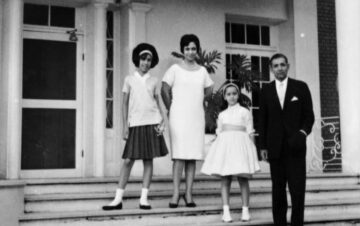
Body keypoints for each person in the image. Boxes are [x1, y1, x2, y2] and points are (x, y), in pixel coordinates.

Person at [102, 43, 168, 211]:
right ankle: (117, 199)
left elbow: (159, 102)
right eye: (143, 59)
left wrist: (164, 120)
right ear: (137, 60)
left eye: (149, 60)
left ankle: (144, 199)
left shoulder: (154, 80)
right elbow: (124, 103)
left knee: (148, 159)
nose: (145, 62)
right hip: (135, 124)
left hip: (152, 122)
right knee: (128, 160)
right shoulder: (129, 79)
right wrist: (125, 126)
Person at [259, 53, 314, 226]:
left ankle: (297, 223)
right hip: (275, 148)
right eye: (275, 66)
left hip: (296, 147)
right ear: (271, 69)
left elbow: (309, 117)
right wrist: (262, 147)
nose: (279, 68)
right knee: (278, 190)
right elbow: (262, 120)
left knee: (297, 190)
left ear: (288, 66)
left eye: (282, 65)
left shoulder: (301, 87)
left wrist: (302, 134)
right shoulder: (265, 90)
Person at [161, 34, 213, 208]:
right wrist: (171, 107)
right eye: (187, 49)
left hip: (196, 117)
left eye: (193, 48)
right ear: (183, 50)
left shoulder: (202, 71)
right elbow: (164, 89)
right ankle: (176, 193)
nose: (191, 52)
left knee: (192, 157)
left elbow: (209, 89)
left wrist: (201, 102)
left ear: (197, 50)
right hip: (178, 116)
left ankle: (188, 194)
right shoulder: (175, 69)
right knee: (179, 157)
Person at [201, 82, 260, 223]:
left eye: (234, 94)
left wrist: (253, 151)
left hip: (241, 145)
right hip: (226, 147)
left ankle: (245, 210)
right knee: (225, 178)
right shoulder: (222, 115)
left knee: (243, 179)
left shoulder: (245, 112)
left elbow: (250, 131)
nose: (232, 96)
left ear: (238, 95)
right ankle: (226, 211)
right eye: (228, 94)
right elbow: (219, 132)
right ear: (225, 97)